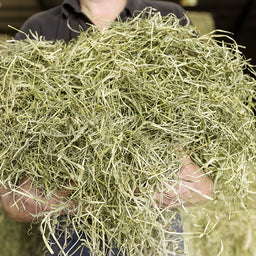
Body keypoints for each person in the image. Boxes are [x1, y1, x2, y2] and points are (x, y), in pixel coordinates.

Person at [1, 0, 214, 255]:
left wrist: (87, 191)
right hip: (72, 239)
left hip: (154, 237)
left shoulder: (167, 17)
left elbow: (203, 186)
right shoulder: (40, 28)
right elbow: (15, 201)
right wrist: (119, 190)